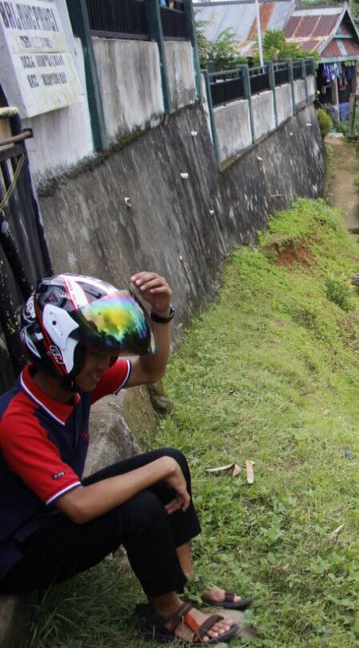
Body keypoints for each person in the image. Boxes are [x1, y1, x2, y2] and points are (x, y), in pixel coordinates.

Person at [0, 273, 248, 644]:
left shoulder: (74, 384)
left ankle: (183, 583)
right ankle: (165, 613)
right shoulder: (16, 421)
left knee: (170, 460)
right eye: (97, 351)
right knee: (140, 507)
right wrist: (155, 471)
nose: (107, 361)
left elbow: (151, 370)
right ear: (57, 348)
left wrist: (161, 313)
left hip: (52, 514)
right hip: (19, 553)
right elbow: (79, 507)